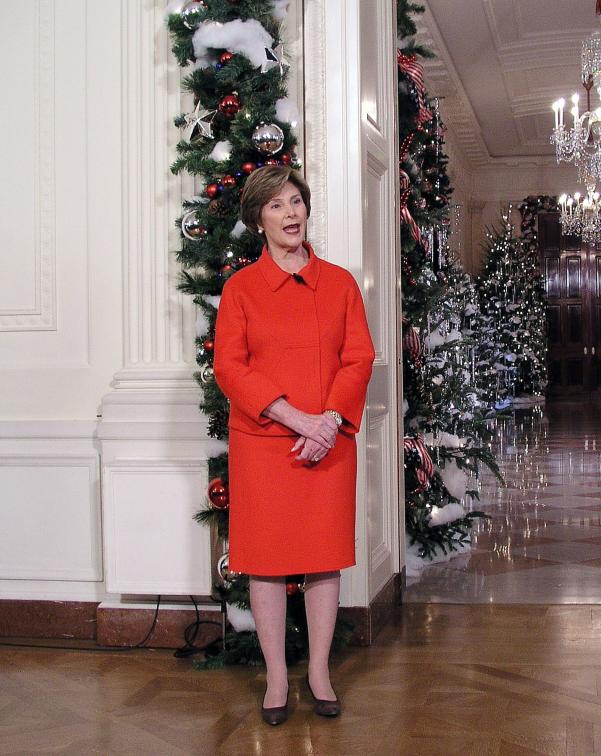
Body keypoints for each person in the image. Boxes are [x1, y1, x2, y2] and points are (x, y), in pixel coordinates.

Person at [213, 165, 375, 725]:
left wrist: (327, 422)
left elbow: (358, 359)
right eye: (277, 205)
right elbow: (229, 367)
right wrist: (297, 419)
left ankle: (320, 672)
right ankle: (277, 679)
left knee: (324, 559)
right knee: (268, 564)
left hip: (329, 443)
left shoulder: (340, 283)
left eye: (297, 202)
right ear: (259, 218)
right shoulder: (240, 289)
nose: (291, 214)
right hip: (264, 444)